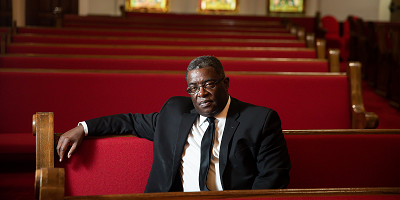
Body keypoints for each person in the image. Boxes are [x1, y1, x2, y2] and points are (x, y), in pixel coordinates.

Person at [56, 55, 291, 193]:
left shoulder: (260, 120)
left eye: (209, 84)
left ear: (226, 83)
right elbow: (130, 122)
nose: (201, 93)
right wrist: (83, 127)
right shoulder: (174, 113)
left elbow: (273, 179)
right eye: (193, 88)